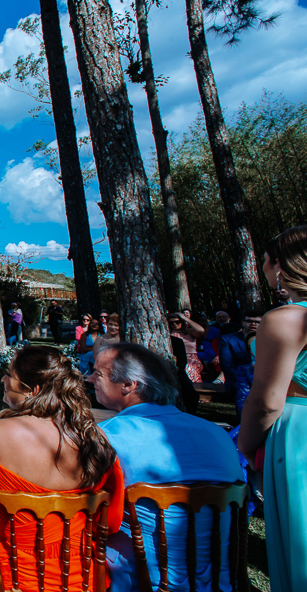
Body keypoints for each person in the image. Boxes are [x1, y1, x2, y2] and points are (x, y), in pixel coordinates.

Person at [0, 346, 124, 592]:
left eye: (9, 374)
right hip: (81, 578)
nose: (4, 380)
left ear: (33, 390)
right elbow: (111, 521)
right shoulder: (96, 438)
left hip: (14, 579)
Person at [89, 343, 243, 592]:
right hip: (218, 578)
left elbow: (90, 510)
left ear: (128, 384)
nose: (90, 378)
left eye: (98, 373)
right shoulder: (216, 433)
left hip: (142, 579)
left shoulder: (106, 437)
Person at [238, 226, 307, 592]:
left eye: (265, 260)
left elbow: (266, 400)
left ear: (279, 265)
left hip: (299, 432)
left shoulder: (285, 319)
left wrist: (246, 445)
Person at [218, 311, 261, 393]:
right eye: (249, 321)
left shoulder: (270, 340)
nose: (253, 324)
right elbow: (227, 366)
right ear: (243, 322)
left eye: (258, 322)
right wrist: (247, 379)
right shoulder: (228, 339)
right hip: (238, 381)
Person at [167, 312, 205, 383]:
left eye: (177, 322)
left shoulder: (189, 332)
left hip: (190, 358)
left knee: (188, 370)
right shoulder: (168, 334)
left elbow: (201, 330)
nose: (175, 324)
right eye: (172, 323)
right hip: (176, 358)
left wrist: (185, 318)